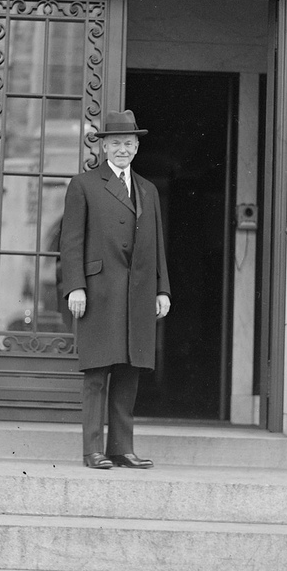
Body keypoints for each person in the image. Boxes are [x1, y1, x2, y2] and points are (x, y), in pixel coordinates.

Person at [60, 110, 171, 469]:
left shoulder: (148, 190)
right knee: (96, 372)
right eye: (116, 143)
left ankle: (121, 449)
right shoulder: (84, 185)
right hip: (98, 292)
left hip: (138, 294)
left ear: (137, 147)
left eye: (129, 143)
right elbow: (71, 242)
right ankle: (93, 450)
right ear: (104, 147)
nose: (123, 149)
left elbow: (156, 246)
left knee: (128, 373)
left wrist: (162, 290)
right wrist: (76, 287)